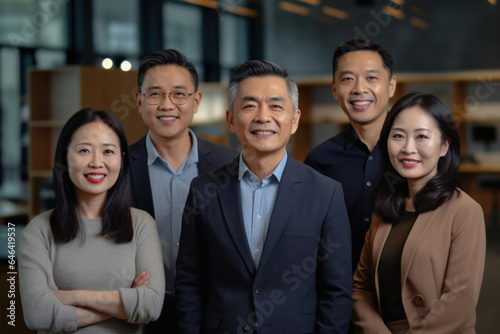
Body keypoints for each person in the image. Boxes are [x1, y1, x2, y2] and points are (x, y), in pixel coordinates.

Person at [175, 60, 352, 334]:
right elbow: (190, 282)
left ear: (294, 121)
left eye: (276, 106)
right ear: (231, 120)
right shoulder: (203, 190)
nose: (263, 116)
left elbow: (336, 292)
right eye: (249, 105)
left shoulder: (325, 193)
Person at [19, 108, 165, 333]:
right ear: (65, 156)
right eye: (84, 150)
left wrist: (72, 296)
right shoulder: (37, 231)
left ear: (121, 159)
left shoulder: (142, 224)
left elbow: (152, 306)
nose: (97, 163)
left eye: (108, 151)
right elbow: (38, 315)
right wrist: (126, 303)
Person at [351, 93, 486, 333]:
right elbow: (360, 289)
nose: (408, 148)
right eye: (398, 136)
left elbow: (460, 300)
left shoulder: (465, 211)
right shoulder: (384, 208)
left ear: (445, 146)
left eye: (422, 136)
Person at [130, 49, 239, 332]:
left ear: (196, 101)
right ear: (139, 101)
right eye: (155, 94)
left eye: (179, 94)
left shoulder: (230, 165)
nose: (167, 105)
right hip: (143, 312)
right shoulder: (117, 167)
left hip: (214, 313)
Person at [304, 39, 397, 272]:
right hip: (338, 291)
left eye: (372, 78)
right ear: (335, 89)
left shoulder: (413, 155)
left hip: (404, 288)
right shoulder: (319, 160)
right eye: (347, 79)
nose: (359, 89)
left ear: (391, 86)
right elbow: (307, 235)